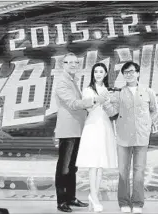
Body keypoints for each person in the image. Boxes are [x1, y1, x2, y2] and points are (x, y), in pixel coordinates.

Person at [102, 61, 158, 214]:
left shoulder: (148, 92)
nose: (129, 74)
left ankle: (138, 203)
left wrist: (148, 125)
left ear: (138, 73)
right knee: (123, 171)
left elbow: (154, 111)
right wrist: (105, 102)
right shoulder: (118, 93)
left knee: (139, 171)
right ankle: (124, 203)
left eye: (132, 71)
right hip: (123, 138)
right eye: (126, 72)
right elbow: (112, 113)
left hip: (141, 137)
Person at [54, 53, 105, 213]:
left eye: (76, 62)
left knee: (72, 167)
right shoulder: (62, 82)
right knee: (63, 167)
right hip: (68, 130)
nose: (74, 65)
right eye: (70, 63)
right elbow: (73, 103)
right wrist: (95, 100)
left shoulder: (72, 80)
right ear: (63, 64)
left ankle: (71, 198)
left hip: (77, 129)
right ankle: (62, 201)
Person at [76, 63, 118, 212]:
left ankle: (94, 195)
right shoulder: (87, 90)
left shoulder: (108, 90)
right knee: (92, 163)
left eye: (101, 71)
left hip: (105, 126)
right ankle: (94, 196)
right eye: (96, 71)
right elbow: (88, 108)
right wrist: (100, 98)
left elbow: (112, 112)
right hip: (92, 126)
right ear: (93, 74)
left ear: (106, 74)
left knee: (100, 164)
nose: (98, 74)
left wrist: (110, 101)